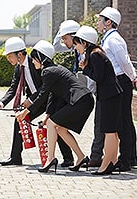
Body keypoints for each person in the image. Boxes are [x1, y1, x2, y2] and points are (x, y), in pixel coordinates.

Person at [16, 40, 94, 173]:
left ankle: (50, 158)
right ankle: (81, 157)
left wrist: (26, 112)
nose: (33, 62)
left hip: (80, 100)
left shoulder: (48, 72)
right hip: (84, 100)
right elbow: (53, 95)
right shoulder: (53, 70)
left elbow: (42, 96)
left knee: (52, 124)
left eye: (34, 59)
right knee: (60, 129)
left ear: (41, 58)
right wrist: (47, 116)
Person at [0, 37, 45, 166]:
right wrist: (1, 103)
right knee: (19, 120)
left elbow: (45, 87)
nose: (8, 59)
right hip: (35, 101)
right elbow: (13, 88)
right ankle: (15, 157)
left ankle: (68, 158)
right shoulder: (19, 68)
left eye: (10, 56)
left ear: (19, 54)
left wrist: (30, 100)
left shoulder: (35, 62)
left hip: (47, 99)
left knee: (55, 125)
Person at [74, 26, 123, 175]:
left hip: (109, 96)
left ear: (84, 42)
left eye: (77, 44)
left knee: (109, 131)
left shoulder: (95, 55)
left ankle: (105, 165)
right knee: (112, 132)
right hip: (112, 95)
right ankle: (113, 162)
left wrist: (85, 69)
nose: (76, 47)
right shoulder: (97, 53)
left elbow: (98, 77)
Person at [54, 19, 102, 168]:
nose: (65, 42)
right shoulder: (76, 49)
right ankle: (86, 156)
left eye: (66, 38)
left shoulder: (90, 52)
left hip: (89, 92)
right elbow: (56, 47)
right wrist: (60, 30)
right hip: (82, 91)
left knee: (103, 125)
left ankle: (97, 157)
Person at [97, 7, 137, 171]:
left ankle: (127, 159)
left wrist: (133, 77)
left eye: (100, 20)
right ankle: (126, 158)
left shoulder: (114, 39)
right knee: (120, 121)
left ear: (109, 22)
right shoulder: (108, 39)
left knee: (124, 121)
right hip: (117, 81)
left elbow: (124, 61)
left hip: (121, 80)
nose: (98, 23)